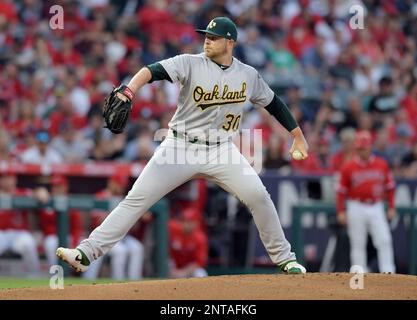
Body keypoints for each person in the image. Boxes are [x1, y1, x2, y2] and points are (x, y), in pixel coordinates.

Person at [57, 16, 309, 275]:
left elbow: (273, 103)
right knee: (135, 201)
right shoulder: (189, 62)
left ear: (230, 43)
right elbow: (150, 71)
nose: (207, 41)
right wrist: (129, 91)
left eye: (214, 38)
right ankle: (86, 253)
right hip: (179, 147)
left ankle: (285, 259)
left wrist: (297, 135)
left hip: (221, 150)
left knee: (259, 197)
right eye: (206, 36)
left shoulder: (248, 74)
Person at [336, 130, 396, 273]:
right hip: (356, 205)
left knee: (384, 240)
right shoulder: (348, 167)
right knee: (358, 243)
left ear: (370, 147)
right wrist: (341, 211)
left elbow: (390, 187)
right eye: (359, 148)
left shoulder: (381, 164)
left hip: (376, 205)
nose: (362, 151)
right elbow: (340, 192)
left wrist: (392, 207)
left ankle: (389, 274)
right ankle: (359, 276)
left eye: (364, 148)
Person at [83, 173, 145, 280]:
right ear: (111, 183)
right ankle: (118, 283)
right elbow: (97, 221)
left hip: (122, 236)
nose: (120, 187)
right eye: (118, 184)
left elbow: (134, 226)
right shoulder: (100, 197)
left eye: (122, 185)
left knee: (137, 247)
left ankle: (135, 281)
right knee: (121, 251)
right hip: (102, 237)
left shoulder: (125, 199)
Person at [38, 175, 83, 267]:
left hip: (70, 237)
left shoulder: (71, 201)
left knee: (89, 245)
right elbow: (46, 227)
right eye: (54, 186)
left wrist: (74, 243)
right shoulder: (46, 200)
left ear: (65, 187)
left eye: (59, 186)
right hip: (52, 237)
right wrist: (39, 191)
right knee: (51, 243)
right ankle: (57, 275)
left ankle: (88, 279)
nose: (56, 189)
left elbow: (77, 227)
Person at [168, 207, 208, 278]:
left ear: (196, 223)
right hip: (173, 266)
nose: (186, 224)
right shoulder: (173, 228)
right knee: (167, 264)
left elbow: (199, 262)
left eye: (189, 221)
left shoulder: (200, 238)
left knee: (201, 273)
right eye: (184, 221)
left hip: (189, 269)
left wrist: (183, 272)